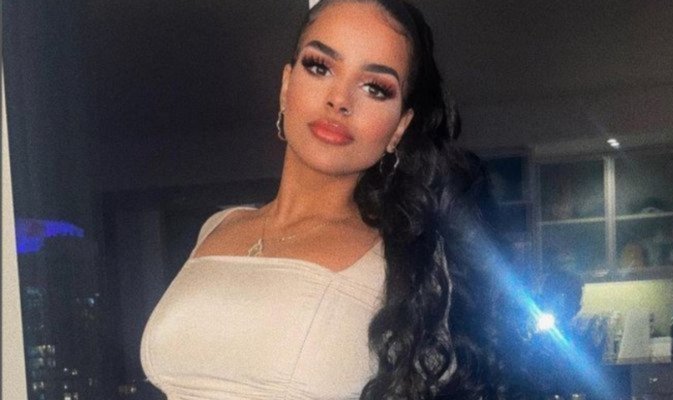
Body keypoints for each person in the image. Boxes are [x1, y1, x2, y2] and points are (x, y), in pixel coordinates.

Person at [141, 1, 498, 398]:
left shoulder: (406, 264)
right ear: (286, 85)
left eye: (375, 88)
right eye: (320, 66)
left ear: (399, 127)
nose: (339, 99)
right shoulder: (218, 227)